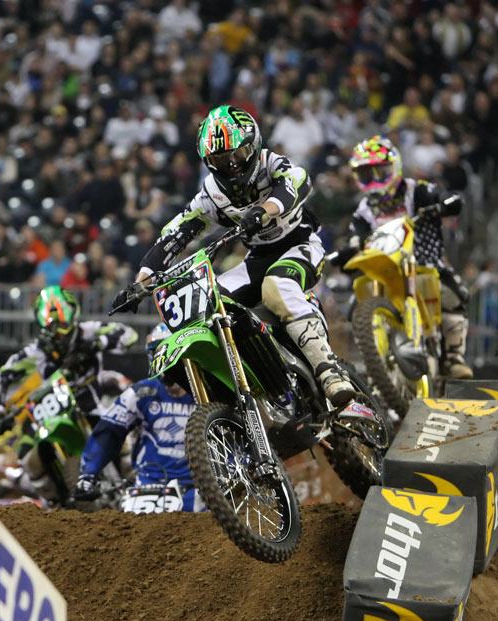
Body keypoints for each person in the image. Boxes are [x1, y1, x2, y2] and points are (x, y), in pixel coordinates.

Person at [113, 105, 356, 406]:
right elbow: (174, 236)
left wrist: (262, 211)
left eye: (237, 156)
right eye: (221, 160)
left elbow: (299, 182)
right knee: (210, 305)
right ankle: (257, 384)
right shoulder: (211, 195)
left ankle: (329, 371)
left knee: (277, 286)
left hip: (300, 244)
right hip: (258, 258)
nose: (232, 167)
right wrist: (140, 282)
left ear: (253, 147)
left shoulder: (271, 163)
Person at [345, 135, 471, 379]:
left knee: (455, 292)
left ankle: (454, 355)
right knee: (353, 306)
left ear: (394, 168)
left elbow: (445, 197)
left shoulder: (417, 190)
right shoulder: (363, 210)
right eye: (366, 175)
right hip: (384, 272)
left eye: (379, 172)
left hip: (424, 264)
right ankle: (373, 361)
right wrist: (348, 249)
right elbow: (356, 236)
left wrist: (446, 202)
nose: (374, 180)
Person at [74, 325, 202, 512]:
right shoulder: (142, 392)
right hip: (149, 485)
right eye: (158, 354)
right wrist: (88, 475)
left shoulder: (206, 391)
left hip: (200, 488)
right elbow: (109, 429)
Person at [0, 286, 138, 423]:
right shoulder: (36, 350)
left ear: (72, 318)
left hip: (94, 410)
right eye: (53, 327)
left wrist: (97, 343)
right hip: (54, 419)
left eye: (63, 325)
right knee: (27, 447)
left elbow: (129, 334)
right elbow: (1, 376)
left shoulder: (88, 331)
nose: (60, 334)